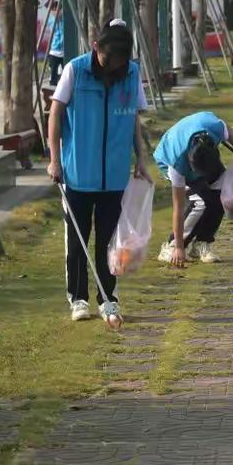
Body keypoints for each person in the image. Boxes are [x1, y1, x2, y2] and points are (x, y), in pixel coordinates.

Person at [48, 19, 151, 324]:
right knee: (78, 241)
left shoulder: (131, 74)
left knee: (110, 242)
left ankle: (109, 298)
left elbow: (132, 116)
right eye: (108, 60)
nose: (112, 67)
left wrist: (140, 158)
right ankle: (78, 298)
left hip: (114, 175)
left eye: (119, 62)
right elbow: (55, 113)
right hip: (78, 173)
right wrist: (54, 159)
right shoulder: (75, 70)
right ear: (96, 48)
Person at [153, 111, 233, 267]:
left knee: (222, 195)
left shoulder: (214, 129)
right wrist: (180, 248)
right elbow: (178, 208)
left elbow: (225, 127)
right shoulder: (177, 163)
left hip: (203, 156)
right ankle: (172, 246)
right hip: (167, 158)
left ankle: (202, 244)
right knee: (201, 201)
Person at [47, 2, 64, 86]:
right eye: (53, 10)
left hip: (65, 51)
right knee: (53, 73)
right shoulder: (50, 20)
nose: (56, 12)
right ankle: (52, 88)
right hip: (54, 51)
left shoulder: (65, 20)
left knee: (66, 73)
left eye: (58, 9)